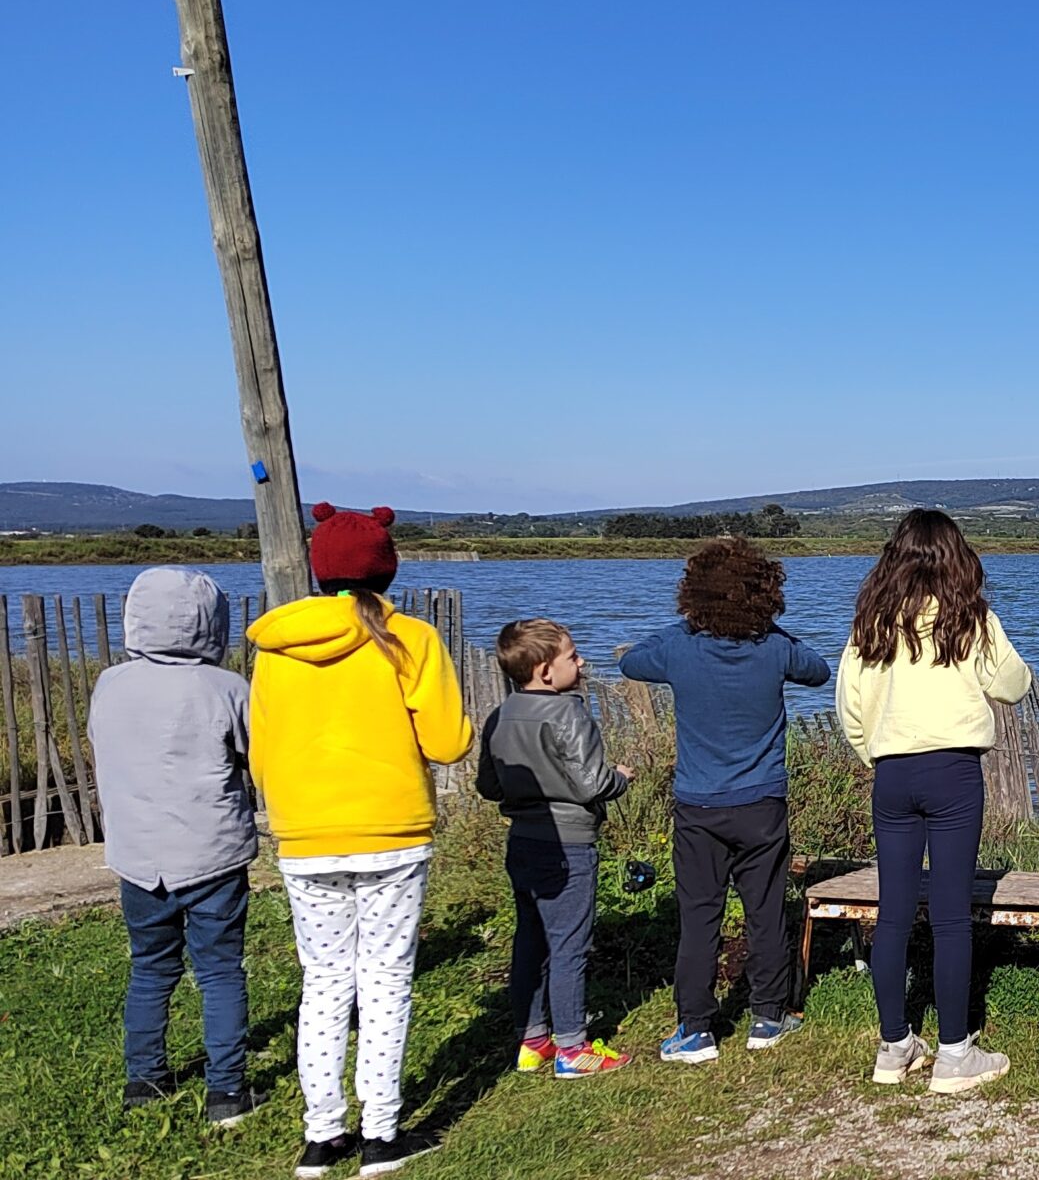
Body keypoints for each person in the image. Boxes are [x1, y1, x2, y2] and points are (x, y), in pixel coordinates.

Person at [247, 504, 470, 1176]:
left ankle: (321, 1135)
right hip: (392, 830)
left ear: (317, 569)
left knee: (323, 981)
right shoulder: (411, 640)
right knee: (385, 979)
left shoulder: (275, 647)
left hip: (305, 834)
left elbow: (260, 754)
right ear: (387, 568)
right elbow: (450, 741)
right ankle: (381, 1131)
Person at [839, 509, 1034, 1095]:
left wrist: (874, 753)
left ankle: (894, 1044)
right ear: (958, 558)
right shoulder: (971, 620)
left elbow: (850, 707)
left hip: (891, 773)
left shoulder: (871, 623)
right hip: (953, 772)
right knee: (950, 914)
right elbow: (1015, 685)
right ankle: (955, 1053)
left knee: (893, 912)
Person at [620, 536, 832, 1064]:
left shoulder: (677, 647)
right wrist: (767, 631)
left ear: (693, 596)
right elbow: (818, 668)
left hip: (698, 805)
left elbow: (632, 662)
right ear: (766, 596)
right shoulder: (776, 648)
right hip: (761, 802)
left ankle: (695, 1028)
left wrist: (689, 628)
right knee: (764, 911)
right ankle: (767, 1015)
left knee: (699, 917)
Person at [88, 567, 260, 1128]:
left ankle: (144, 1079)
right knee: (219, 970)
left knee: (150, 968)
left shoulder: (111, 684)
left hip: (138, 855)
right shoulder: (227, 687)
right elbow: (253, 756)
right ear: (214, 623)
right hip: (213, 851)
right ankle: (227, 1092)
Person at [475, 618, 632, 1079]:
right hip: (568, 843)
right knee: (569, 944)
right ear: (546, 670)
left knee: (530, 939)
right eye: (573, 656)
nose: (582, 664)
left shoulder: (500, 714)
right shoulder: (569, 713)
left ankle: (532, 1039)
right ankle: (572, 1047)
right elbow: (592, 783)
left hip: (522, 839)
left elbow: (487, 783)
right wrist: (620, 778)